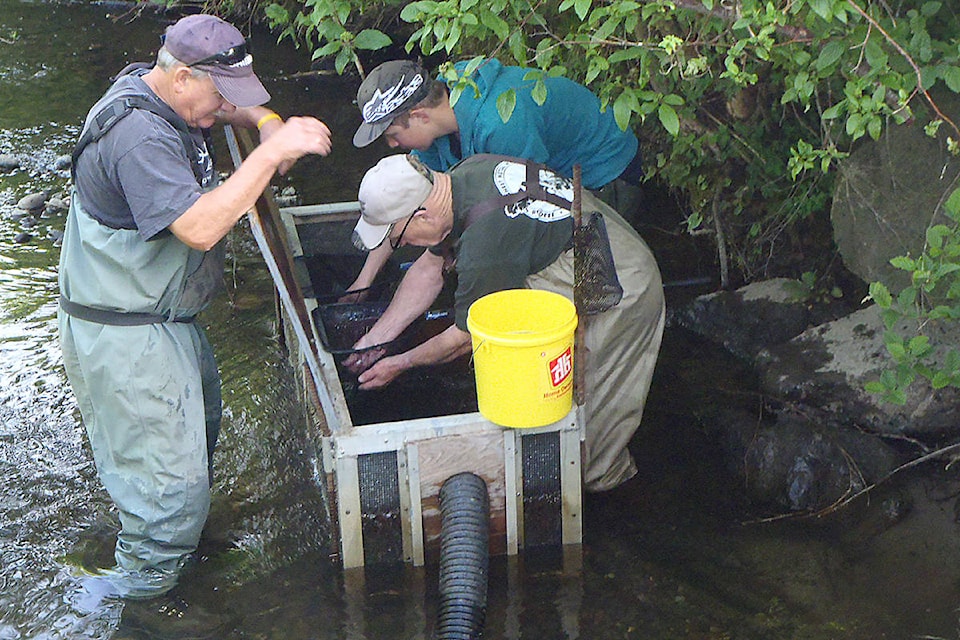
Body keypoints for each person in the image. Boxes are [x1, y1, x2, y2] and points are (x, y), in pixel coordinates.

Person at [57, 13, 333, 599]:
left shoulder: (157, 85)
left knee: (197, 445)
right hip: (125, 329)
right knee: (170, 496)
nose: (222, 107)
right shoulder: (139, 136)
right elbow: (200, 228)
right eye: (219, 94)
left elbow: (226, 109)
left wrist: (263, 120)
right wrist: (269, 156)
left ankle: (173, 556)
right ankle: (140, 608)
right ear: (181, 77)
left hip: (162, 314)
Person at [345, 154, 665, 493]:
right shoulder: (456, 181)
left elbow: (466, 337)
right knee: (552, 375)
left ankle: (605, 495)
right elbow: (428, 270)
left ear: (421, 212)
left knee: (591, 415)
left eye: (399, 238)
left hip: (621, 282)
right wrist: (374, 343)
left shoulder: (486, 242)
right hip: (576, 248)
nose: (403, 245)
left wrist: (400, 363)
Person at [344, 58, 644, 297]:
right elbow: (401, 207)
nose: (394, 146)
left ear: (420, 115)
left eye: (393, 135)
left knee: (587, 277)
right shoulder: (438, 124)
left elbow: (526, 215)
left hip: (602, 173)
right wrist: (363, 282)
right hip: (546, 167)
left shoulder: (501, 125)